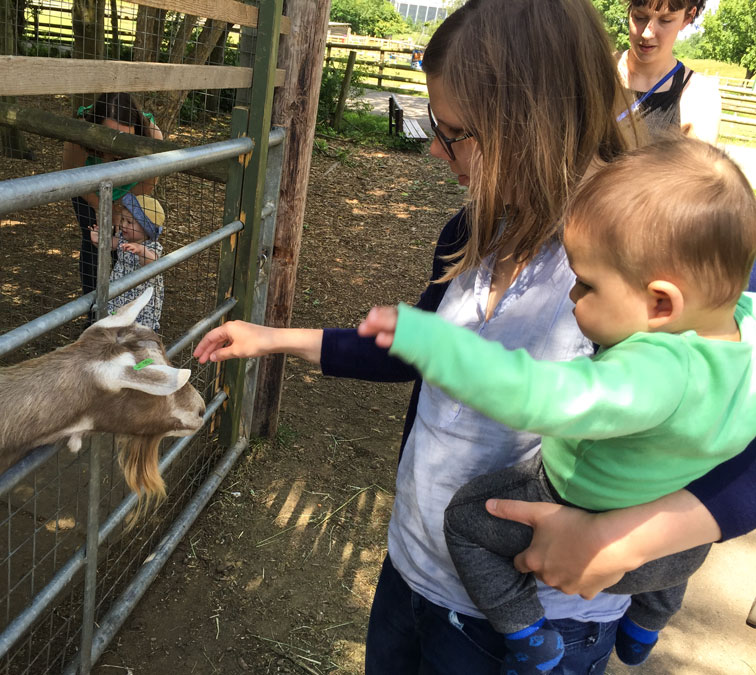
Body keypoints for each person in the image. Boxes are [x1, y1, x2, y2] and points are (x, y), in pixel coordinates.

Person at [193, 1, 756, 673]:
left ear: (532, 124)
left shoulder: (654, 261)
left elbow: (732, 408)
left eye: (455, 131)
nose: (435, 148)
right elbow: (420, 349)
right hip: (417, 570)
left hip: (538, 617)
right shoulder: (473, 230)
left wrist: (625, 537)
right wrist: (273, 339)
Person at [356, 137, 756, 673]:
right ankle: (645, 623)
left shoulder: (655, 372)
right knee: (685, 522)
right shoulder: (745, 329)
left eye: (585, 285)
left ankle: (526, 631)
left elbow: (534, 394)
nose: (573, 296)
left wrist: (430, 339)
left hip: (578, 512)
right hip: (672, 550)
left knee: (469, 518)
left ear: (662, 302)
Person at [62, 92, 163, 299]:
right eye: (108, 139)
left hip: (130, 190)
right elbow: (70, 176)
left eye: (125, 139)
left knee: (128, 242)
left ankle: (124, 302)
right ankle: (93, 310)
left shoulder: (152, 136)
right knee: (94, 243)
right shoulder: (78, 131)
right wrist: (99, 206)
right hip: (89, 188)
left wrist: (119, 209)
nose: (115, 151)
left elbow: (148, 183)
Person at [617, 0, 721, 141]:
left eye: (665, 20)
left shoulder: (699, 95)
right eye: (639, 17)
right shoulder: (593, 71)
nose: (647, 34)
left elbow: (697, 162)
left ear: (687, 17)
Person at [90, 193, 165, 332]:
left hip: (139, 296)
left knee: (136, 329)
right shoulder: (123, 240)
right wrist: (98, 239)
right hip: (120, 291)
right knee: (115, 321)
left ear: (145, 228)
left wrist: (141, 251)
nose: (123, 224)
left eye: (129, 222)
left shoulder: (152, 246)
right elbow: (108, 245)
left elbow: (152, 264)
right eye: (123, 219)